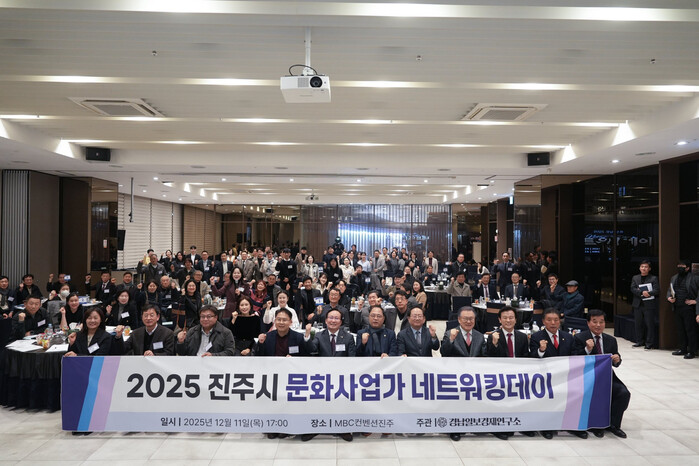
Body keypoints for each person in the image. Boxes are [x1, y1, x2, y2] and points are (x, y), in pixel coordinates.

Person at [529, 308, 586, 439]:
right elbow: (532, 359)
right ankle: (547, 427)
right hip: (545, 378)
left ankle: (573, 426)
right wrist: (541, 350)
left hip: (566, 377)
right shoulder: (536, 337)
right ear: (543, 321)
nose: (553, 323)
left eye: (556, 320)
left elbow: (575, 356)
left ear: (560, 321)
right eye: (549, 320)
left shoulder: (568, 337)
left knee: (578, 392)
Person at [572, 309, 630, 439]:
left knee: (623, 393)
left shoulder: (611, 340)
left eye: (601, 322)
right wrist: (587, 349)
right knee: (594, 394)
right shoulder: (579, 338)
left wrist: (617, 359)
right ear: (588, 323)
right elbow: (575, 359)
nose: (598, 325)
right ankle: (596, 425)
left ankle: (613, 425)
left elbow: (616, 361)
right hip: (586, 377)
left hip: (606, 377)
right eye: (594, 321)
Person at [300, 308, 355, 443]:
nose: (333, 321)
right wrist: (307, 335)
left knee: (341, 402)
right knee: (317, 402)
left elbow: (352, 358)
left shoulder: (348, 337)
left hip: (341, 377)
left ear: (341, 321)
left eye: (336, 318)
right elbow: (312, 349)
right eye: (330, 318)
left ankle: (342, 428)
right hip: (322, 376)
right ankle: (314, 428)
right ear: (325, 320)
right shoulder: (319, 335)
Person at [486, 306, 533, 440]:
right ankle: (499, 428)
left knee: (520, 402)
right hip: (499, 376)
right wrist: (494, 343)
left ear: (516, 320)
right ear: (499, 320)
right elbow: (489, 359)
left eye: (511, 317)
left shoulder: (522, 337)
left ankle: (522, 426)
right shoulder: (493, 336)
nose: (508, 320)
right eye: (505, 318)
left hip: (518, 375)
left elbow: (526, 357)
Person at [667, 259, 698, 359]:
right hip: (677, 306)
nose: (680, 267)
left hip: (688, 308)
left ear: (688, 268)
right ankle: (682, 348)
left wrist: (695, 301)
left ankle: (692, 351)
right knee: (680, 329)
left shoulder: (695, 278)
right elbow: (670, 290)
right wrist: (669, 297)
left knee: (690, 330)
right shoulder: (674, 277)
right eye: (679, 265)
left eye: (682, 266)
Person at [630, 260, 660, 349]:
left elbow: (657, 290)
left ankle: (649, 343)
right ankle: (639, 341)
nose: (644, 268)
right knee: (638, 324)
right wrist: (641, 292)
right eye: (642, 267)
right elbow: (632, 288)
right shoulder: (635, 277)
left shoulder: (653, 278)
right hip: (638, 304)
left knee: (649, 324)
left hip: (649, 304)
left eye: (646, 267)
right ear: (639, 268)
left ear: (649, 268)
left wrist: (649, 293)